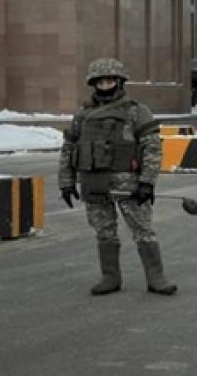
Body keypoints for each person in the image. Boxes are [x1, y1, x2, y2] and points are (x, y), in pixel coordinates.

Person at [58, 58, 175, 296]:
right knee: (104, 231)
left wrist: (147, 181)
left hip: (129, 185)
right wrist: (66, 182)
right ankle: (110, 277)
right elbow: (69, 149)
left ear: (120, 82)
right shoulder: (82, 116)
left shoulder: (136, 111)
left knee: (143, 230)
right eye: (101, 82)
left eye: (110, 80)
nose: (105, 85)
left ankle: (156, 278)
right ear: (94, 84)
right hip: (94, 183)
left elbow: (152, 148)